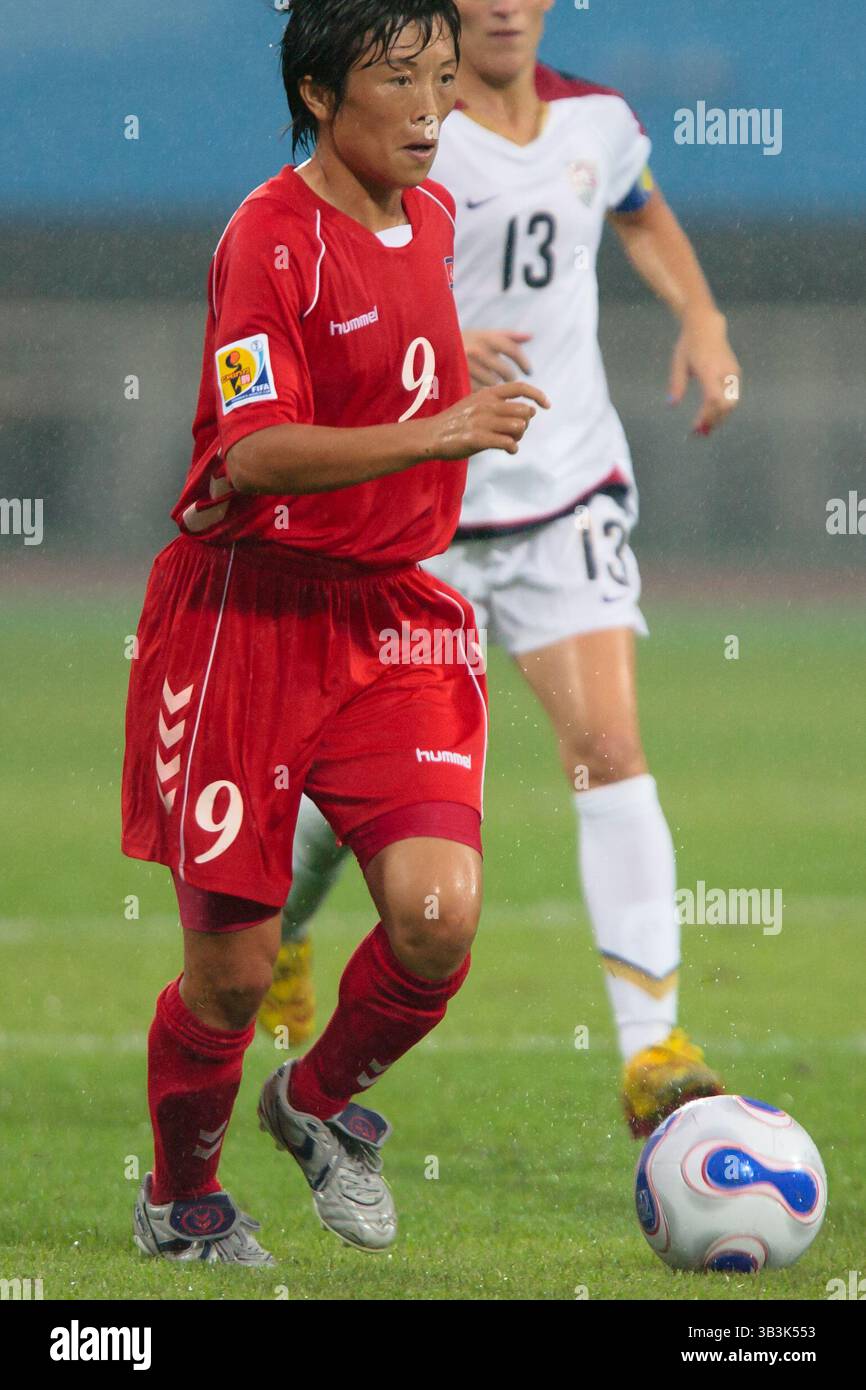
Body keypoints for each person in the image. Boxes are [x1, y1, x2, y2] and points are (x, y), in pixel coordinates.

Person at [261, 0, 741, 1140]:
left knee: (608, 749)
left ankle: (651, 1051)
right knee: (354, 793)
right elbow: (333, 270)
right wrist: (423, 329)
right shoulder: (403, 132)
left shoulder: (596, 124)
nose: (501, 8)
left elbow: (641, 212)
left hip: (563, 493)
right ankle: (278, 936)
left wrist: (704, 318)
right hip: (418, 511)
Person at [121, 0, 548, 1264]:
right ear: (317, 94)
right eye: (396, 82)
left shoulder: (430, 213)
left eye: (439, 76)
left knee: (437, 915)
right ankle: (181, 1200)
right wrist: (438, 430)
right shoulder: (265, 237)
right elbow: (251, 450)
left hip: (392, 618)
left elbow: (381, 335)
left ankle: (312, 1108)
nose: (430, 108)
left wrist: (442, 355)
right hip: (247, 616)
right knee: (235, 978)